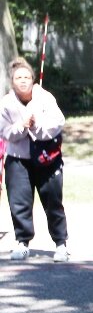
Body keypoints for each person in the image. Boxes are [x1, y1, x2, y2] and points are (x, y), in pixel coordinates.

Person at [0, 57, 68, 262]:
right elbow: (4, 133)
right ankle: (22, 242)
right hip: (18, 159)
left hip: (47, 158)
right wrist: (21, 125)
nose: (23, 80)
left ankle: (60, 243)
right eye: (18, 77)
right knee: (19, 202)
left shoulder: (45, 97)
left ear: (33, 79)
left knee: (53, 200)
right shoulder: (6, 103)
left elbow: (58, 123)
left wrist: (37, 126)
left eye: (27, 77)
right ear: (12, 81)